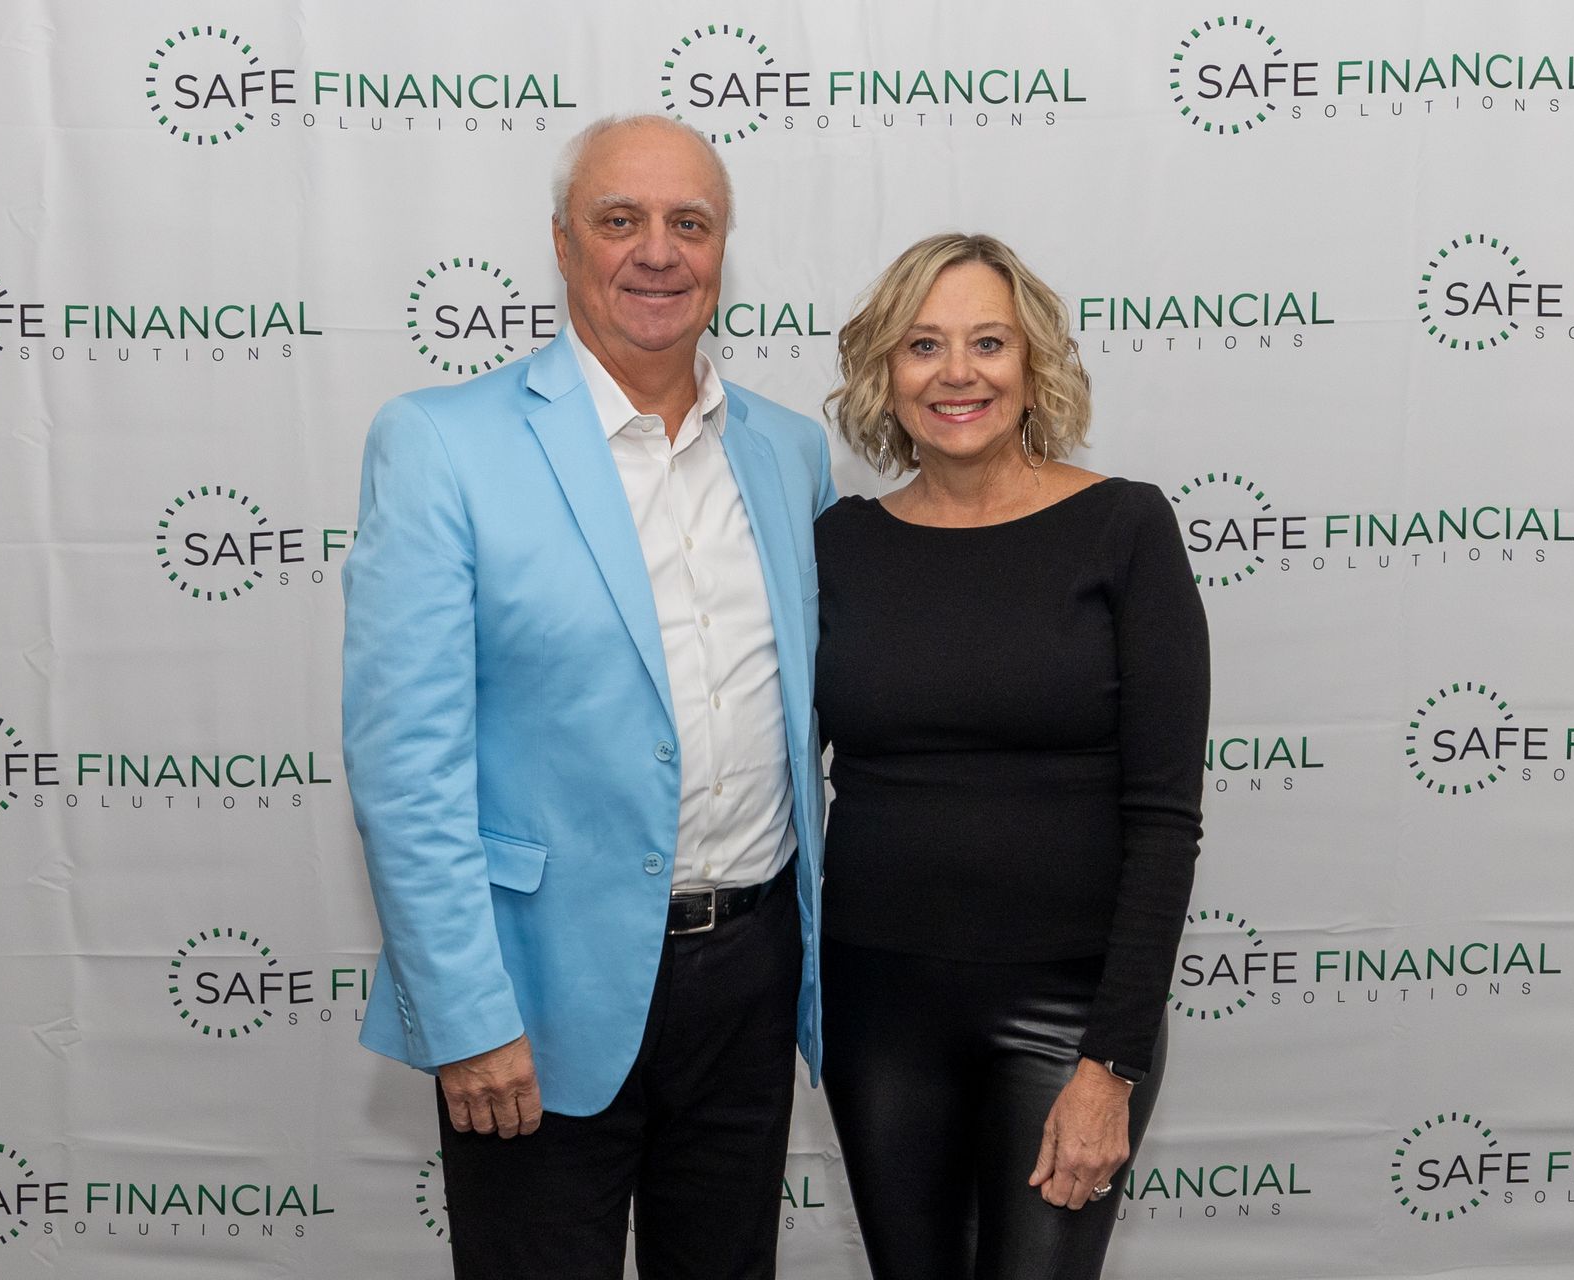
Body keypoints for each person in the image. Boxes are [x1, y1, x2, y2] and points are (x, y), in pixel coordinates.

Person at [341, 113, 835, 1280]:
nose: (657, 251)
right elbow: (405, 770)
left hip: (750, 977)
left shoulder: (789, 451)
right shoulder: (441, 443)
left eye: (689, 223)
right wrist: (466, 1014)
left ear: (723, 251)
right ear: (563, 243)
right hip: (536, 993)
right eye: (621, 220)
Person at [814, 232, 1209, 1278]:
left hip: (1069, 1018)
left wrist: (1111, 1062)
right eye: (923, 345)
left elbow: (1165, 819)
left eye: (988, 342)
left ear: (1033, 363)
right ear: (884, 371)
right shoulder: (839, 544)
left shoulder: (1124, 527)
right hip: (877, 1012)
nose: (958, 373)